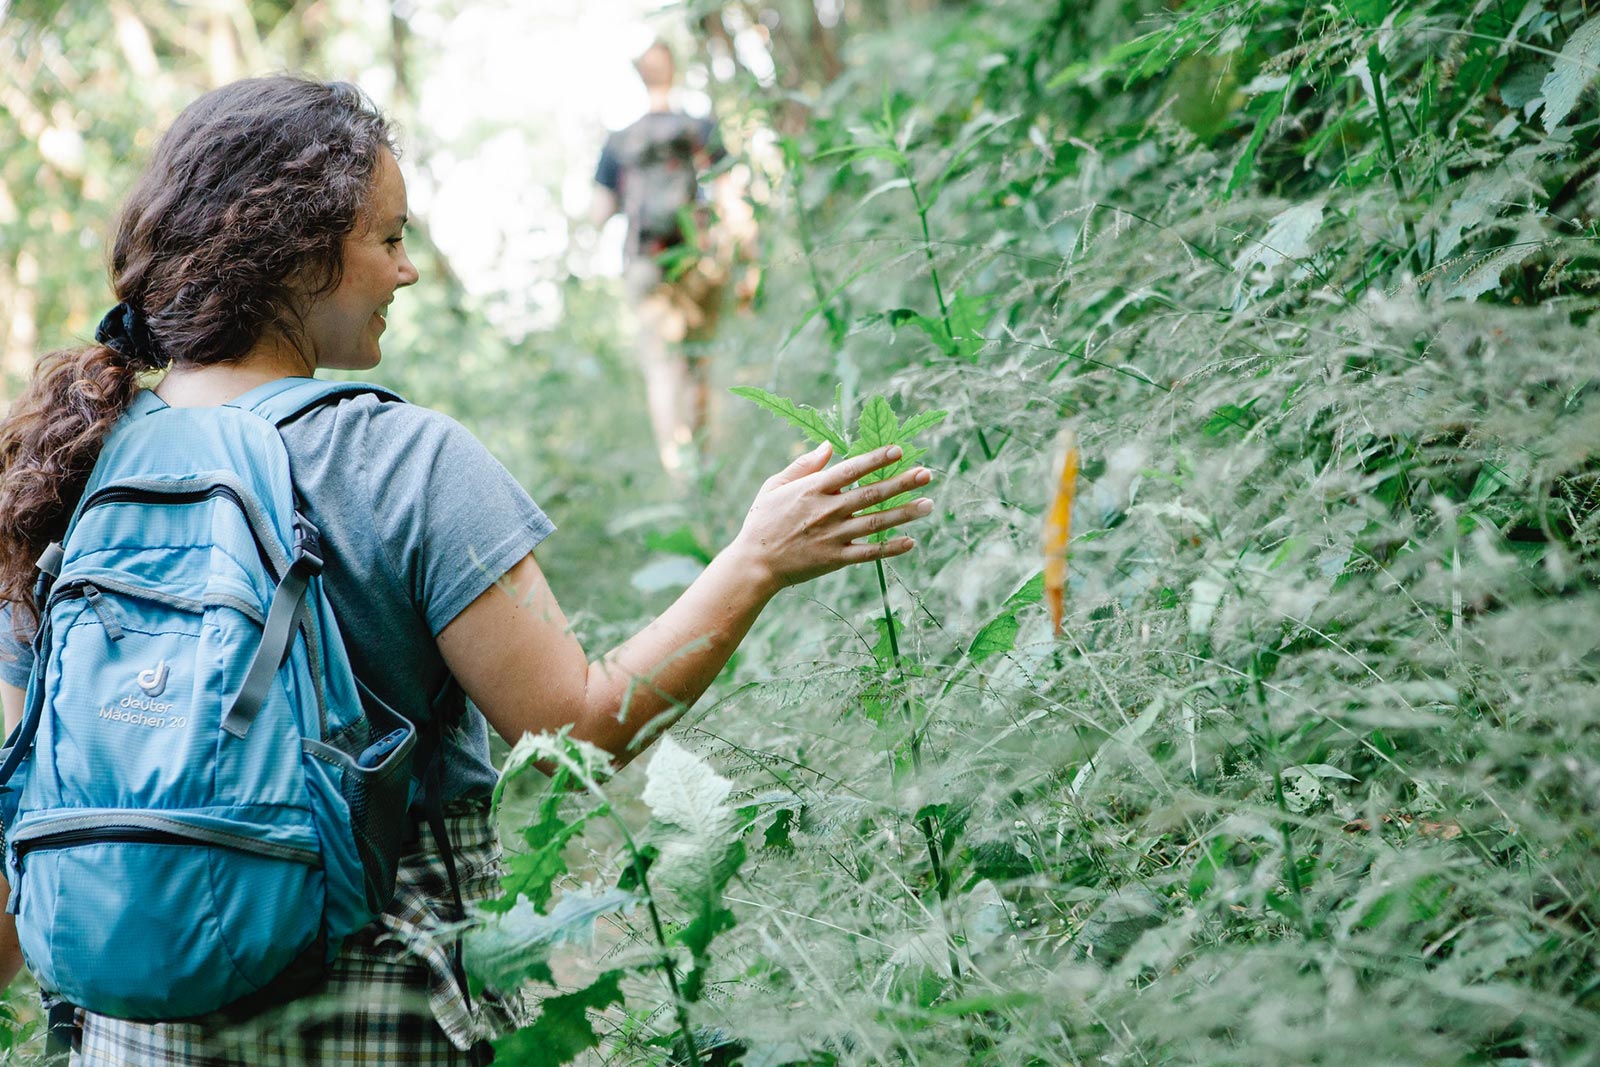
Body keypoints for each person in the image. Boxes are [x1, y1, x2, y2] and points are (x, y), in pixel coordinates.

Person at [0, 76, 931, 1064]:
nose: (407, 271)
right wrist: (755, 561)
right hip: (367, 1018)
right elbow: (576, 724)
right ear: (301, 255)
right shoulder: (407, 459)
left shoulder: (70, 470)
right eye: (388, 238)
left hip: (124, 1035)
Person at [592, 40, 754, 478]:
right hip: (697, 258)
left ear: (640, 75)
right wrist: (749, 262)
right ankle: (709, 464)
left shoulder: (619, 142)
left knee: (663, 368)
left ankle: (679, 472)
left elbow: (599, 212)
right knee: (701, 360)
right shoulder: (698, 127)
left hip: (645, 263)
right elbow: (731, 200)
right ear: (674, 70)